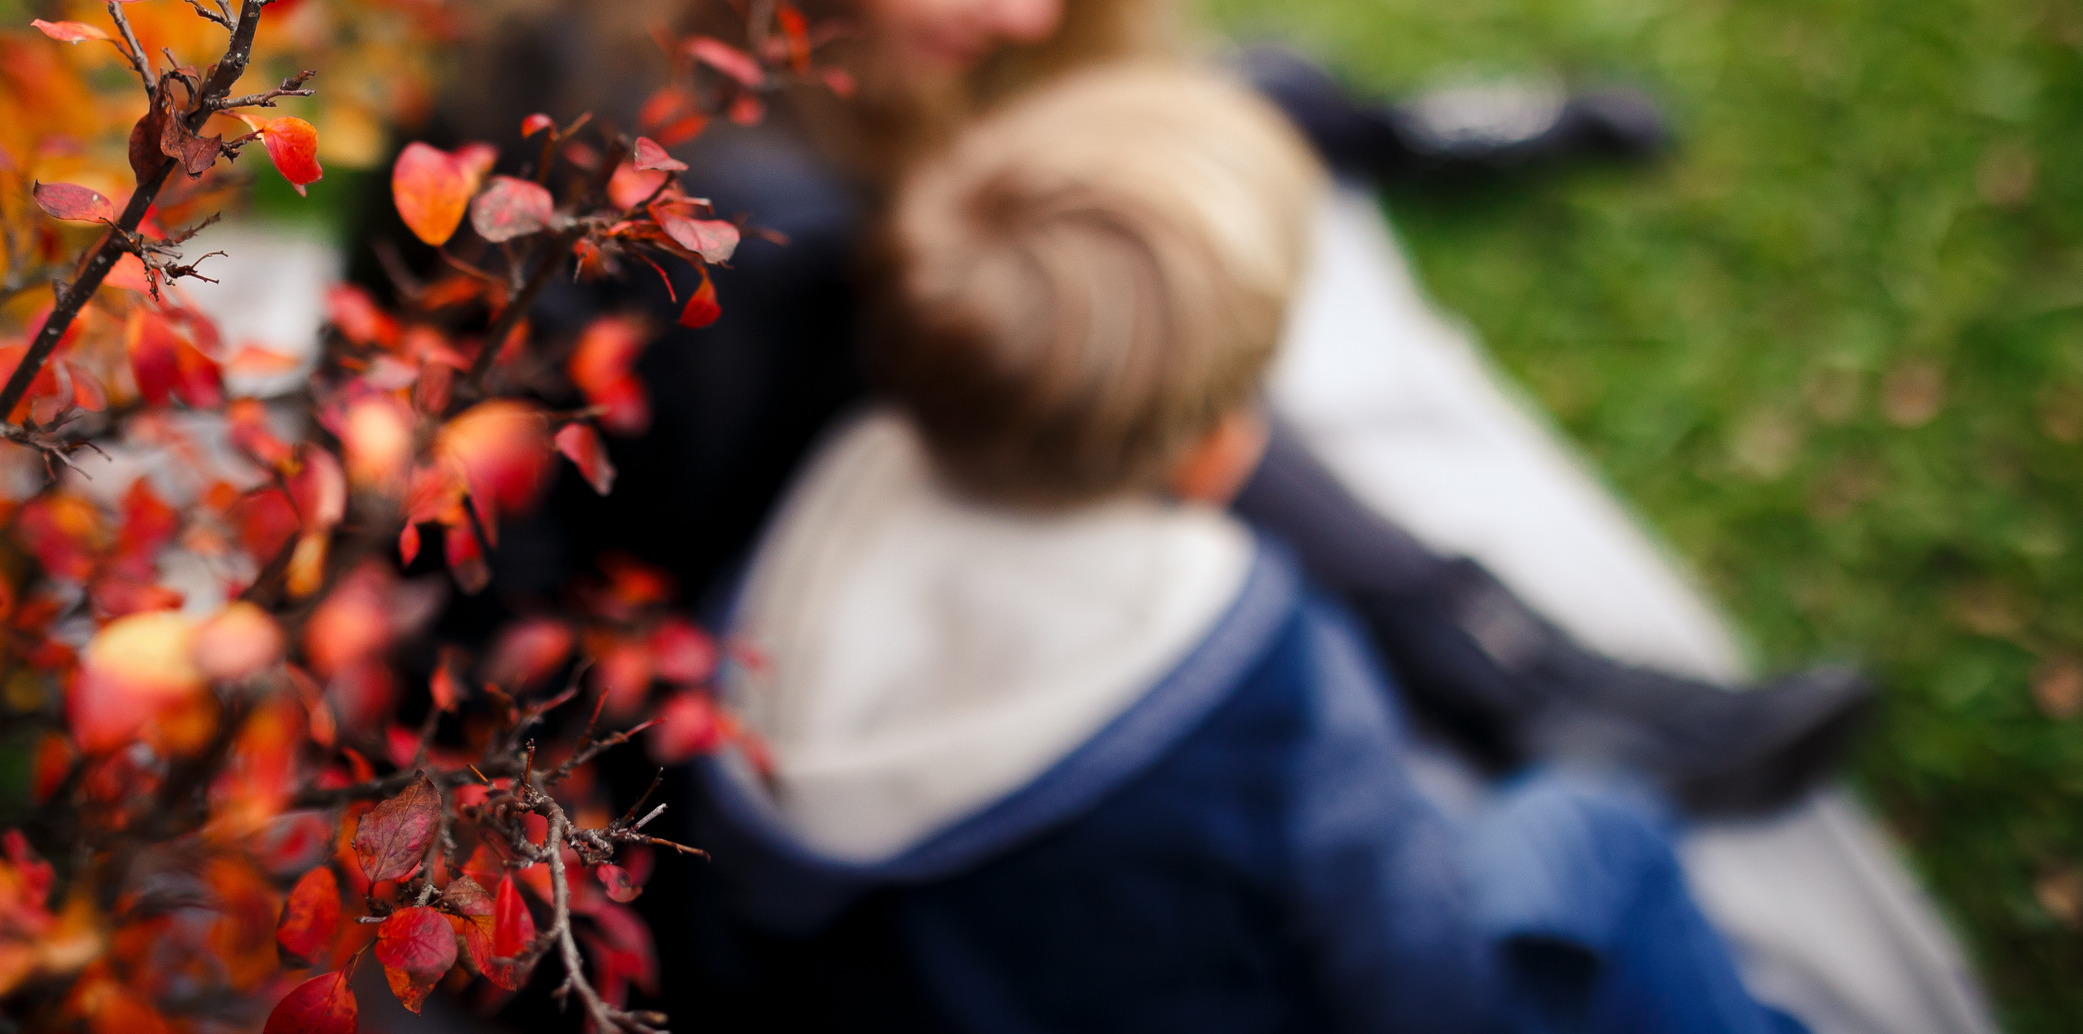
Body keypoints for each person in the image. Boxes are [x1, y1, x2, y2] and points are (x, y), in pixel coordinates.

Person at [364, 0, 1870, 812]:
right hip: (653, 625)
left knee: (1217, 95)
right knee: (1127, 310)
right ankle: (1513, 667)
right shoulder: (752, 231)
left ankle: (1395, 129)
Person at [685, 59, 1805, 1033]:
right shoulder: (1261, 673)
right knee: (1599, 826)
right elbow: (1427, 996)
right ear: (1220, 446)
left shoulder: (808, 542)